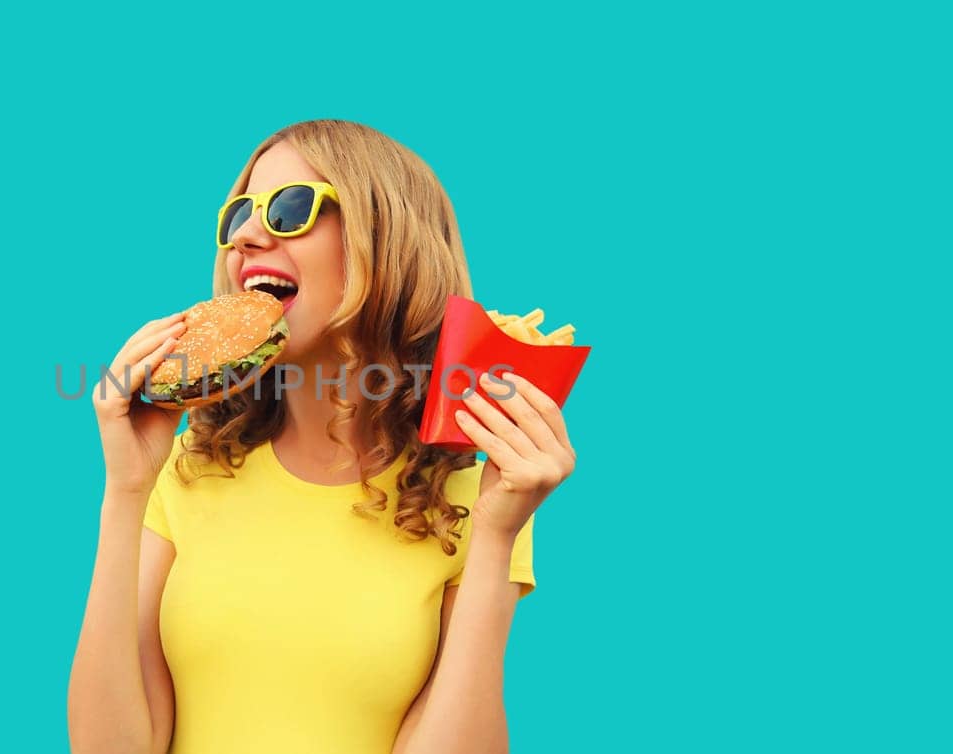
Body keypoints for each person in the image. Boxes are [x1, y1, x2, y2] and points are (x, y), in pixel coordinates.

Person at [68, 119, 578, 754]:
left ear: (386, 243)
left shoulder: (480, 492)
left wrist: (498, 534)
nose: (248, 237)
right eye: (237, 217)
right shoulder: (191, 465)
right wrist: (125, 490)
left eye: (290, 209)